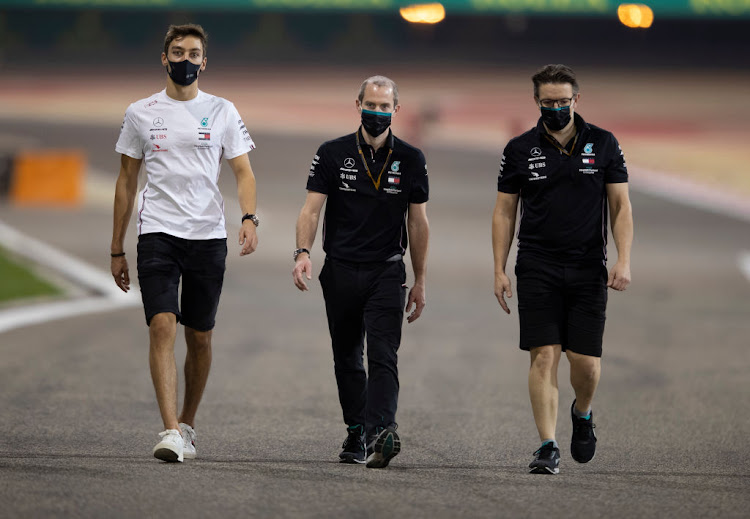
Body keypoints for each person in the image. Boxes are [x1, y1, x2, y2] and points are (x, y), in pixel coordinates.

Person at [110, 24, 259, 463]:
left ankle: (188, 423)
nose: (186, 61)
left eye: (194, 54)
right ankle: (170, 429)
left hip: (207, 236)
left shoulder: (223, 110)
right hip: (157, 232)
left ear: (205, 61)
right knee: (162, 325)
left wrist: (249, 217)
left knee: (200, 336)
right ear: (164, 58)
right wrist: (116, 247)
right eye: (178, 52)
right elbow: (125, 180)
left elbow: (244, 172)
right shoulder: (140, 112)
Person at [491, 64, 633, 475]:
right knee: (543, 356)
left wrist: (623, 259)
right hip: (536, 265)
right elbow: (504, 211)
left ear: (576, 99)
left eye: (562, 101)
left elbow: (620, 206)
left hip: (589, 267)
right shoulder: (519, 148)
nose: (555, 107)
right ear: (536, 102)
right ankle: (547, 445)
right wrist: (499, 268)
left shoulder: (603, 144)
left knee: (585, 364)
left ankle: (583, 412)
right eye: (548, 102)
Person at [292, 76, 430, 468]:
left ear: (396, 110)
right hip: (339, 271)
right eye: (371, 104)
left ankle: (383, 431)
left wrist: (419, 279)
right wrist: (303, 252)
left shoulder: (411, 159)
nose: (377, 112)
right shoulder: (333, 153)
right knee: (348, 357)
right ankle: (356, 430)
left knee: (384, 354)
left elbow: (418, 223)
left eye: (385, 107)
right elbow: (311, 209)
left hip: (387, 272)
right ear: (358, 105)